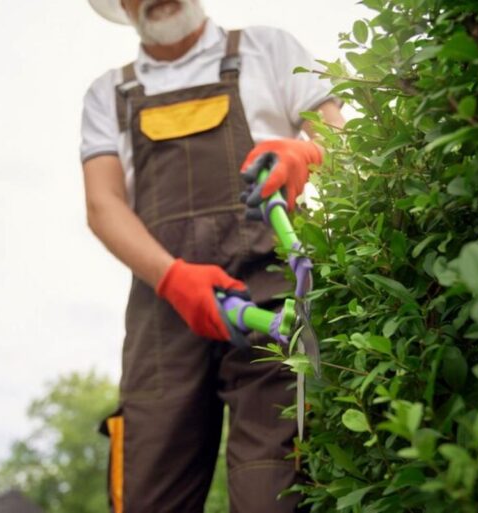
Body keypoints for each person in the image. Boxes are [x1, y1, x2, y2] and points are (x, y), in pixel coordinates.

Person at [81, 1, 345, 511]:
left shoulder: (268, 49)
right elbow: (102, 204)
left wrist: (308, 153)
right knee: (149, 493)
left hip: (272, 295)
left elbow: (347, 143)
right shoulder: (108, 94)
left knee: (278, 491)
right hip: (164, 309)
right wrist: (174, 277)